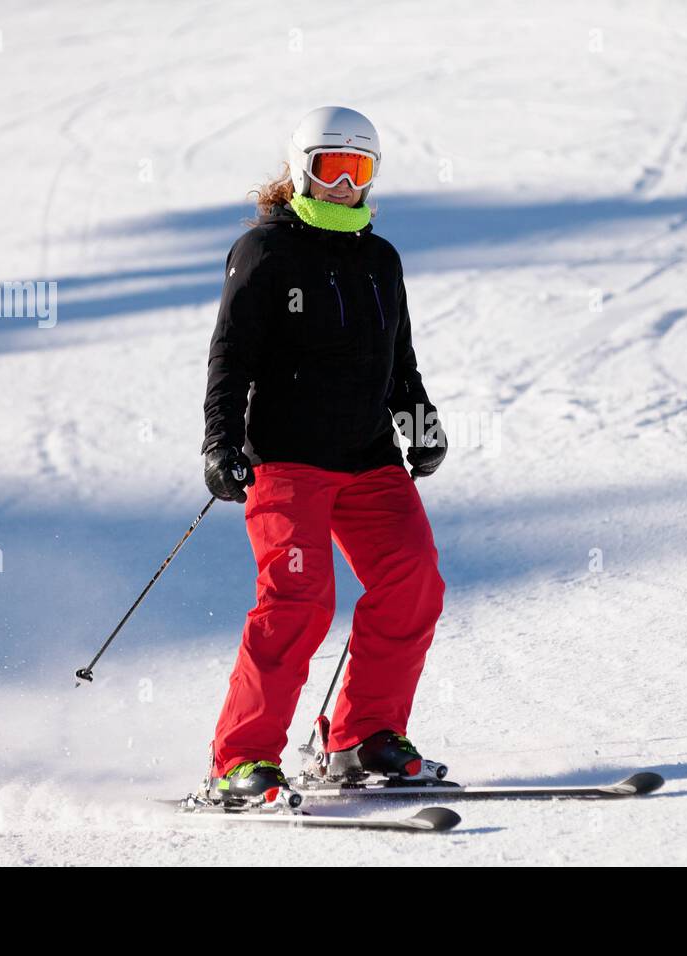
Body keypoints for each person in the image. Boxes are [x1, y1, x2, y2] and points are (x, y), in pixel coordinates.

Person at [199, 106, 447, 809]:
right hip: (288, 461)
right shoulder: (266, 254)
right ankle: (241, 759)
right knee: (299, 602)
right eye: (329, 168)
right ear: (302, 169)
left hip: (369, 459)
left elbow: (399, 359)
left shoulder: (380, 259)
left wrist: (419, 422)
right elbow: (230, 358)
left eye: (358, 170)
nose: (343, 183)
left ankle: (361, 737)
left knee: (413, 584)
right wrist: (221, 441)